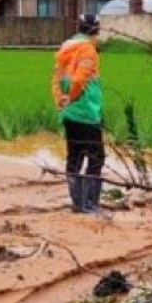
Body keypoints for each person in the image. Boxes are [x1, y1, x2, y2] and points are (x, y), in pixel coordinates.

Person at [52, 14, 107, 215]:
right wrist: (73, 97)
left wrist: (61, 100)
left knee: (74, 156)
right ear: (96, 30)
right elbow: (79, 79)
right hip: (86, 111)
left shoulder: (65, 47)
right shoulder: (87, 50)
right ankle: (89, 204)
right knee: (96, 157)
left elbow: (56, 78)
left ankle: (77, 202)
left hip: (69, 113)